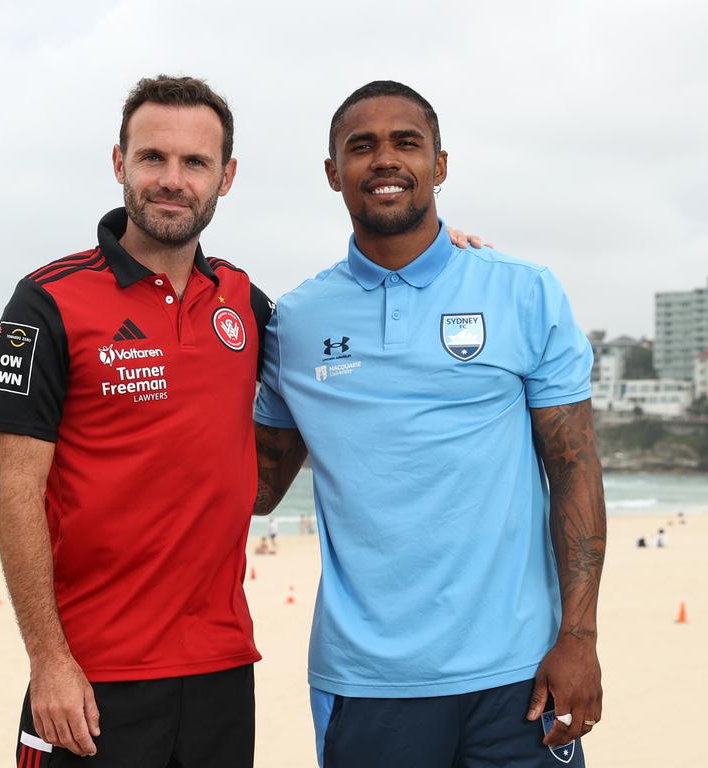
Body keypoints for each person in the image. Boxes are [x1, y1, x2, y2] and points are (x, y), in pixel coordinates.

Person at [253, 81, 606, 767]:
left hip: (520, 674)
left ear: (440, 165)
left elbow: (574, 465)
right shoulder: (295, 322)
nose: (385, 160)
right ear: (333, 174)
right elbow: (256, 487)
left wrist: (581, 638)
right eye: (362, 147)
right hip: (367, 682)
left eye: (406, 143)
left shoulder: (524, 291)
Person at [0, 75, 270, 768]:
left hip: (222, 670)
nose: (172, 180)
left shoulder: (243, 303)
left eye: (195, 162)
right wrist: (48, 660)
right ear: (119, 164)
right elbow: (15, 494)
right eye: (152, 158)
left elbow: (344, 357)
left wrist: (441, 247)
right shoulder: (44, 303)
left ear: (225, 177)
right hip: (88, 680)